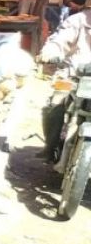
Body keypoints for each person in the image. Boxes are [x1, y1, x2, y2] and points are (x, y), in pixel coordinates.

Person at [39, 11, 91, 162]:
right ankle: (50, 147)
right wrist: (50, 51)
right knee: (55, 103)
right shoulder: (78, 20)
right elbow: (60, 40)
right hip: (75, 76)